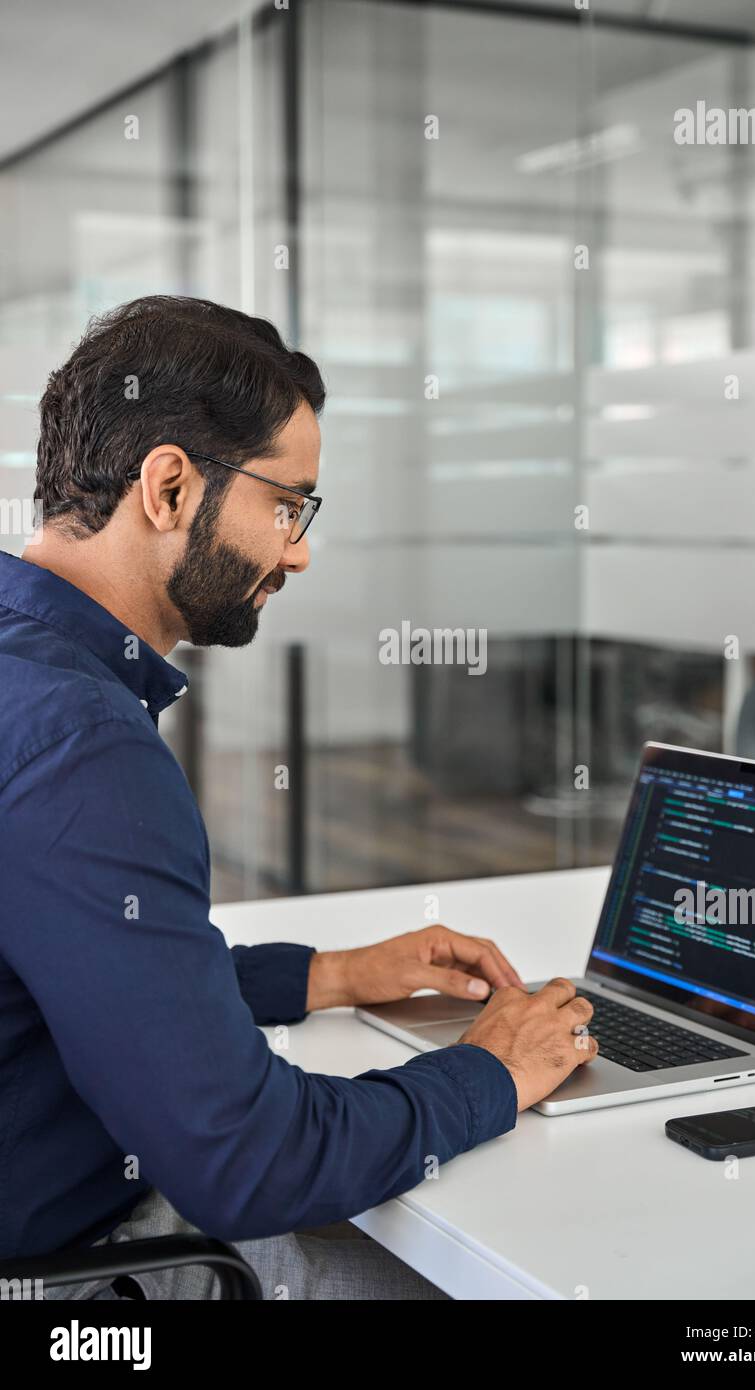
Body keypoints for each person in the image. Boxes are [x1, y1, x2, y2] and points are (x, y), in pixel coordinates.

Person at [0, 296, 597, 1300]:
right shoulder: (83, 744)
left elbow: (96, 974)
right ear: (170, 486)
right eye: (289, 504)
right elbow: (247, 1160)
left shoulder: (30, 675)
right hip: (69, 1279)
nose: (298, 549)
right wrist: (492, 1068)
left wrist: (327, 973)